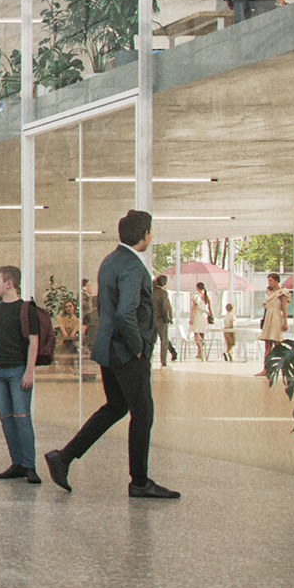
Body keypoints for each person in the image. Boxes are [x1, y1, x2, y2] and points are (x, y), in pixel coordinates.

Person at [44, 210, 179, 499]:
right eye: (150, 231)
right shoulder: (132, 266)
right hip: (127, 351)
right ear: (144, 235)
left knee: (116, 407)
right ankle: (139, 482)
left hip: (108, 349)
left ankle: (64, 458)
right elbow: (126, 312)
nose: (151, 236)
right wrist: (139, 346)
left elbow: (107, 308)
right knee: (143, 413)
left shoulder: (109, 261)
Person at [0, 265, 40, 482]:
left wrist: (29, 371)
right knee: (6, 418)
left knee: (22, 417)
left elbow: (34, 340)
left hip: (18, 370)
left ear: (9, 284)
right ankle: (17, 463)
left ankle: (30, 465)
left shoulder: (27, 308)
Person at [257, 273, 290, 373]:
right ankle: (266, 369)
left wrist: (285, 322)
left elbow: (284, 309)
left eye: (271, 281)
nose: (269, 283)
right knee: (267, 345)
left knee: (278, 345)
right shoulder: (270, 294)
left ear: (276, 281)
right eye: (268, 281)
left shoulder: (282, 293)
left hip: (276, 318)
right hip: (269, 318)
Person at [153, 275, 174, 367]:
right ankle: (163, 361)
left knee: (151, 341)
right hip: (161, 320)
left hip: (151, 320)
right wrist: (167, 318)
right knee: (164, 340)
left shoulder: (151, 292)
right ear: (165, 283)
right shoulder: (163, 293)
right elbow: (164, 308)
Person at [189, 282, 212, 361]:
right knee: (202, 334)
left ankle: (200, 349)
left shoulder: (196, 296)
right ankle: (200, 352)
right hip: (204, 317)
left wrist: (191, 318)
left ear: (197, 288)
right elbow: (210, 308)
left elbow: (194, 308)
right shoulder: (207, 296)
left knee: (196, 334)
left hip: (198, 316)